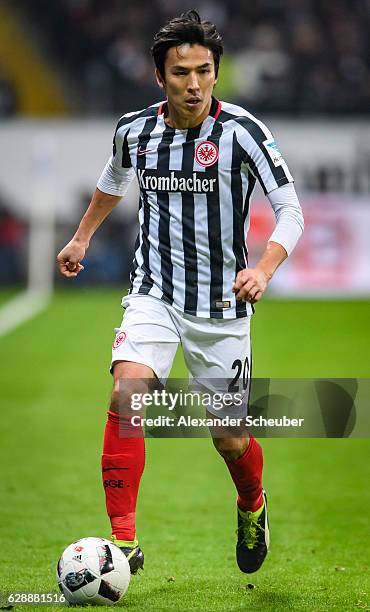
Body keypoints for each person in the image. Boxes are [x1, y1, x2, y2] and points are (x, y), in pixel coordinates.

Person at [57, 9, 304, 576]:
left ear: (218, 72)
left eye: (204, 71)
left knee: (231, 440)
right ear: (159, 77)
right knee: (127, 396)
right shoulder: (134, 131)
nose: (193, 85)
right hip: (155, 294)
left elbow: (290, 210)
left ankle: (252, 505)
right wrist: (80, 238)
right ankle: (123, 544)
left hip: (222, 309)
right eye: (180, 73)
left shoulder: (243, 131)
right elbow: (111, 181)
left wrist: (263, 270)